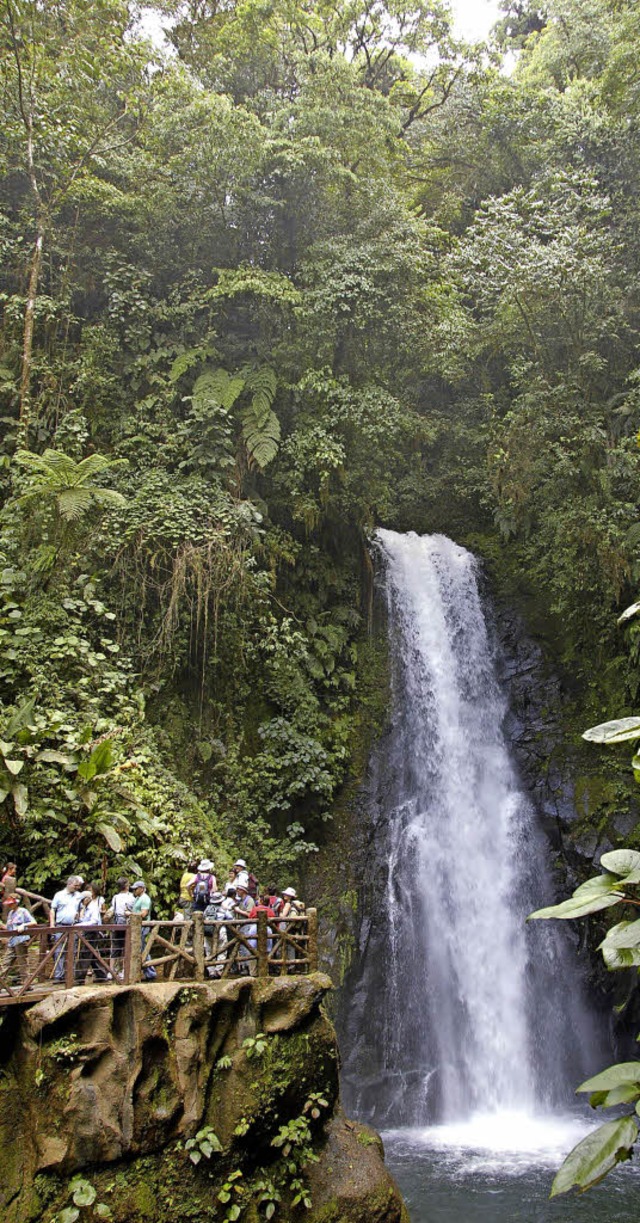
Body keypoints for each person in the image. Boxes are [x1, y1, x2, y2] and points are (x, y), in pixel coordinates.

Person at [50, 875, 87, 981]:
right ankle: (59, 975)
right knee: (58, 950)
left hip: (73, 926)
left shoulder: (79, 896)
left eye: (79, 886)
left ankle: (70, 975)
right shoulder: (59, 895)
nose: (77, 887)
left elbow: (82, 908)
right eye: (76, 885)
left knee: (73, 950)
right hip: (60, 925)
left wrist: (80, 917)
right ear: (69, 884)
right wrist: (52, 925)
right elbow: (53, 910)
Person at [76, 883, 108, 983]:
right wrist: (79, 920)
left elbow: (94, 921)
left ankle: (79, 978)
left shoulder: (93, 908)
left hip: (93, 933)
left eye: (82, 900)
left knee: (85, 954)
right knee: (93, 954)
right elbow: (86, 920)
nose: (81, 903)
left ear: (87, 899)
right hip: (89, 932)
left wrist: (81, 925)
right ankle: (101, 975)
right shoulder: (87, 908)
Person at [2, 896, 36, 986]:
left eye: (11, 903)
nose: (9, 905)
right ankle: (1, 985)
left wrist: (24, 925)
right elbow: (8, 927)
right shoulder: (10, 913)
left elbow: (33, 922)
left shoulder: (23, 911)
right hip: (12, 941)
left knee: (22, 963)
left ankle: (27, 985)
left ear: (16, 902)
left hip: (21, 940)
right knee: (6, 962)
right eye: (8, 904)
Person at [106, 877, 133, 977]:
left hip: (117, 923)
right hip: (126, 923)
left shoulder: (115, 897)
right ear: (126, 886)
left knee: (116, 947)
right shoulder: (131, 897)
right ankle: (122, 970)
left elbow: (113, 909)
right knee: (126, 947)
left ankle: (112, 970)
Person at [132, 880, 156, 981]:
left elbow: (144, 913)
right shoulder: (138, 898)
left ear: (141, 888)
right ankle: (148, 972)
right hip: (137, 927)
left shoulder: (145, 899)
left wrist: (130, 914)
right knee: (141, 949)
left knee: (143, 949)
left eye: (136, 889)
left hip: (143, 926)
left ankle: (150, 973)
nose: (134, 890)